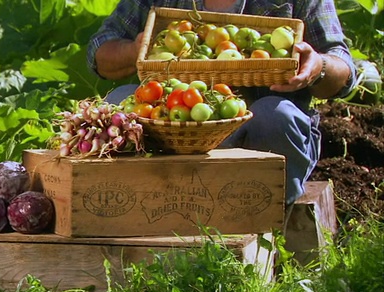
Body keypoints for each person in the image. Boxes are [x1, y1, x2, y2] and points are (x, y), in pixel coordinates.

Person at [86, 0, 357, 205]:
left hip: (262, 138)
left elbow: (343, 67)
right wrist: (136, 49)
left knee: (274, 116)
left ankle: (269, 209)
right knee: (121, 102)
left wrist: (318, 66)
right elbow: (99, 51)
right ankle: (139, 204)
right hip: (175, 131)